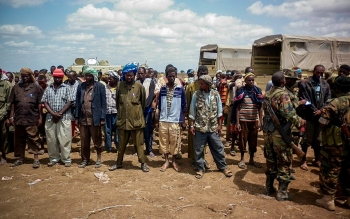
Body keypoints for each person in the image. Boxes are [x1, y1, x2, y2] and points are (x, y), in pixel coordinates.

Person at [263, 71, 305, 201]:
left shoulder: (268, 94)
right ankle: (282, 193)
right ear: (283, 82)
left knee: (271, 161)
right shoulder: (283, 95)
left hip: (268, 133)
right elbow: (290, 114)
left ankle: (269, 188)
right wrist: (301, 122)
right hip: (281, 134)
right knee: (284, 161)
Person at [316, 75, 350, 210]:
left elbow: (322, 123)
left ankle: (328, 200)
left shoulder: (335, 103)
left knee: (330, 169)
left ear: (337, 88)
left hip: (336, 144)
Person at [189, 75, 232, 179]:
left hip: (213, 128)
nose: (200, 85)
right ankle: (200, 169)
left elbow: (219, 112)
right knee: (198, 150)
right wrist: (191, 126)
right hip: (200, 127)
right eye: (199, 83)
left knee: (218, 148)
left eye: (202, 83)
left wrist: (220, 126)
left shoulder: (216, 94)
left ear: (208, 84)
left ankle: (223, 167)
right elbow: (192, 112)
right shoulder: (196, 94)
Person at [109, 63, 149, 172]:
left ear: (134, 75)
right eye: (127, 75)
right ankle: (118, 163)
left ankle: (143, 163)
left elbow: (143, 103)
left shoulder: (139, 87)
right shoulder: (119, 86)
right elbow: (118, 103)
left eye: (131, 75)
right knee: (121, 145)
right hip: (123, 121)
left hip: (136, 122)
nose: (129, 77)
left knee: (139, 144)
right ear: (124, 75)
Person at [9, 68, 44, 168]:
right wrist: (11, 116)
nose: (25, 78)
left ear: (30, 76)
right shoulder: (16, 87)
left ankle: (36, 159)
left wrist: (40, 117)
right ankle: (21, 158)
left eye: (27, 76)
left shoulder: (36, 88)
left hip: (32, 117)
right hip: (19, 117)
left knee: (33, 138)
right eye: (23, 76)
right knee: (19, 139)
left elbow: (40, 104)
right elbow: (13, 103)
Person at [298, 65, 331, 171]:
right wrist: (313, 109)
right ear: (313, 71)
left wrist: (321, 110)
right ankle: (303, 160)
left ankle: (317, 159)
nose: (320, 75)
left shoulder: (325, 84)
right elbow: (304, 98)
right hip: (309, 115)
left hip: (321, 115)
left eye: (322, 73)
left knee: (318, 139)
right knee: (306, 138)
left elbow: (328, 99)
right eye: (318, 72)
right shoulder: (305, 83)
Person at [41, 68, 74, 167]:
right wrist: (53, 113)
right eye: (56, 77)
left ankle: (66, 159)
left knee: (65, 139)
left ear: (62, 77)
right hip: (51, 118)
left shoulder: (67, 87)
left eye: (59, 77)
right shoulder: (49, 88)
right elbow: (44, 102)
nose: (57, 79)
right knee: (51, 139)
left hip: (64, 117)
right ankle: (54, 158)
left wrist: (59, 113)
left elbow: (70, 101)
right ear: (53, 77)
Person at [156, 67, 186, 172]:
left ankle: (173, 161)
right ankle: (166, 161)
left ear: (176, 76)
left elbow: (183, 106)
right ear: (166, 77)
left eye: (174, 76)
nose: (172, 78)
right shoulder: (163, 89)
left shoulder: (180, 89)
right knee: (163, 141)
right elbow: (159, 106)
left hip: (175, 120)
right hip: (163, 120)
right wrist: (158, 119)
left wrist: (183, 120)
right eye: (170, 76)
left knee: (174, 141)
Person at [75, 67, 106, 168]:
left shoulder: (100, 86)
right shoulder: (81, 86)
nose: (87, 77)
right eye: (86, 75)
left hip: (95, 118)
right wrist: (76, 117)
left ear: (94, 76)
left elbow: (103, 103)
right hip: (83, 118)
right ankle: (85, 159)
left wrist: (102, 117)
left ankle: (98, 158)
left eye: (90, 76)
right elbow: (77, 102)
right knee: (84, 141)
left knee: (97, 140)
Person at [232, 73, 263, 169]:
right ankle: (242, 159)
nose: (251, 82)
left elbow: (260, 108)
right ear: (245, 81)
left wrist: (260, 121)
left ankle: (251, 159)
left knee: (253, 141)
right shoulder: (241, 92)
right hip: (243, 121)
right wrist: (237, 122)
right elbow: (237, 108)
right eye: (249, 80)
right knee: (242, 139)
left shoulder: (257, 92)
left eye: (253, 80)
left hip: (254, 121)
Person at [185, 65, 211, 169]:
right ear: (198, 74)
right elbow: (188, 103)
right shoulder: (191, 87)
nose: (203, 76)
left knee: (204, 140)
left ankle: (202, 159)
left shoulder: (210, 87)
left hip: (206, 118)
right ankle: (194, 159)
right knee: (193, 139)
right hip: (194, 118)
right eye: (201, 74)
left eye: (205, 74)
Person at [136, 66, 159, 158]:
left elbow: (151, 95)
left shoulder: (150, 82)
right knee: (138, 131)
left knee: (148, 130)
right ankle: (138, 150)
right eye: (139, 73)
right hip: (137, 110)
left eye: (142, 73)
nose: (140, 75)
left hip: (147, 110)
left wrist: (145, 105)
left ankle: (149, 150)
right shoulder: (136, 82)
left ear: (145, 74)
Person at [104, 70, 119, 152]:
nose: (109, 80)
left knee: (117, 131)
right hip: (107, 113)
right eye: (108, 78)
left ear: (116, 79)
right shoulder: (105, 88)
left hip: (117, 113)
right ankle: (108, 148)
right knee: (107, 131)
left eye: (111, 78)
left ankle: (118, 146)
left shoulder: (119, 88)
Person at [64, 70, 81, 137]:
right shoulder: (65, 84)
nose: (69, 79)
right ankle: (71, 137)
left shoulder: (80, 84)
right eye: (68, 77)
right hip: (68, 106)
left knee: (79, 122)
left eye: (70, 77)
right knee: (70, 123)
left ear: (75, 77)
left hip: (77, 106)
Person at [0, 73, 12, 164]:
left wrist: (8, 117)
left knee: (3, 136)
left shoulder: (6, 85)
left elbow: (9, 102)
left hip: (2, 115)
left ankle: (3, 156)